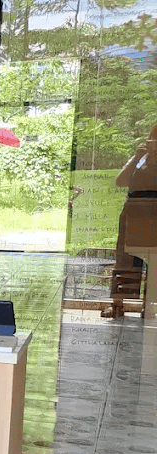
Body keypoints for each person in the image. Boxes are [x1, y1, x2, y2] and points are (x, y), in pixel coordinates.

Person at [108, 125, 157, 317]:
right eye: (153, 139)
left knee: (154, 261)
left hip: (154, 214)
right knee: (125, 259)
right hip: (133, 212)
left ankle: (149, 305)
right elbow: (120, 181)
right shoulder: (140, 158)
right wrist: (137, 158)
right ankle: (117, 304)